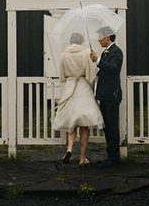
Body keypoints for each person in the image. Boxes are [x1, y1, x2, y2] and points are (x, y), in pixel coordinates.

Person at [52, 32, 104, 167]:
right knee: (84, 124)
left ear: (70, 42)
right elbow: (90, 74)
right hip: (83, 87)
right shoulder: (87, 53)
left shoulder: (64, 55)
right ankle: (82, 158)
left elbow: (62, 77)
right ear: (82, 42)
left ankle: (69, 148)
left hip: (70, 87)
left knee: (71, 122)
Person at [90, 26, 123, 168]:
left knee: (112, 126)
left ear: (107, 37)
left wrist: (98, 61)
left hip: (111, 95)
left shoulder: (117, 52)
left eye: (100, 37)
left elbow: (114, 69)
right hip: (104, 94)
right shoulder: (106, 52)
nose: (98, 40)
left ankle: (114, 157)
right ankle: (110, 155)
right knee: (107, 127)